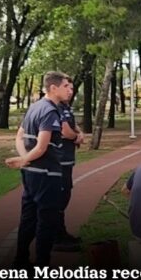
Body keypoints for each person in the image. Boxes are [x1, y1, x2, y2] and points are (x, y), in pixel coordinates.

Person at [5, 71, 73, 267]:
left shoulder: (33, 108)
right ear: (53, 88)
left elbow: (19, 137)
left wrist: (24, 160)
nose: (69, 91)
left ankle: (20, 259)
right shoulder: (50, 111)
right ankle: (42, 263)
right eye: (65, 86)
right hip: (47, 173)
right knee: (47, 220)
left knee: (28, 218)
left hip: (31, 174)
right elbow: (42, 146)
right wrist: (24, 159)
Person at [53, 79, 85, 252]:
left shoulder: (65, 106)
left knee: (65, 195)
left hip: (67, 159)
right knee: (60, 197)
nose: (70, 91)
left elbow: (72, 126)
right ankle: (57, 237)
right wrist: (76, 137)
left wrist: (78, 133)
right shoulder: (55, 107)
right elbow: (65, 131)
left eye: (72, 88)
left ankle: (61, 232)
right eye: (67, 87)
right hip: (60, 160)